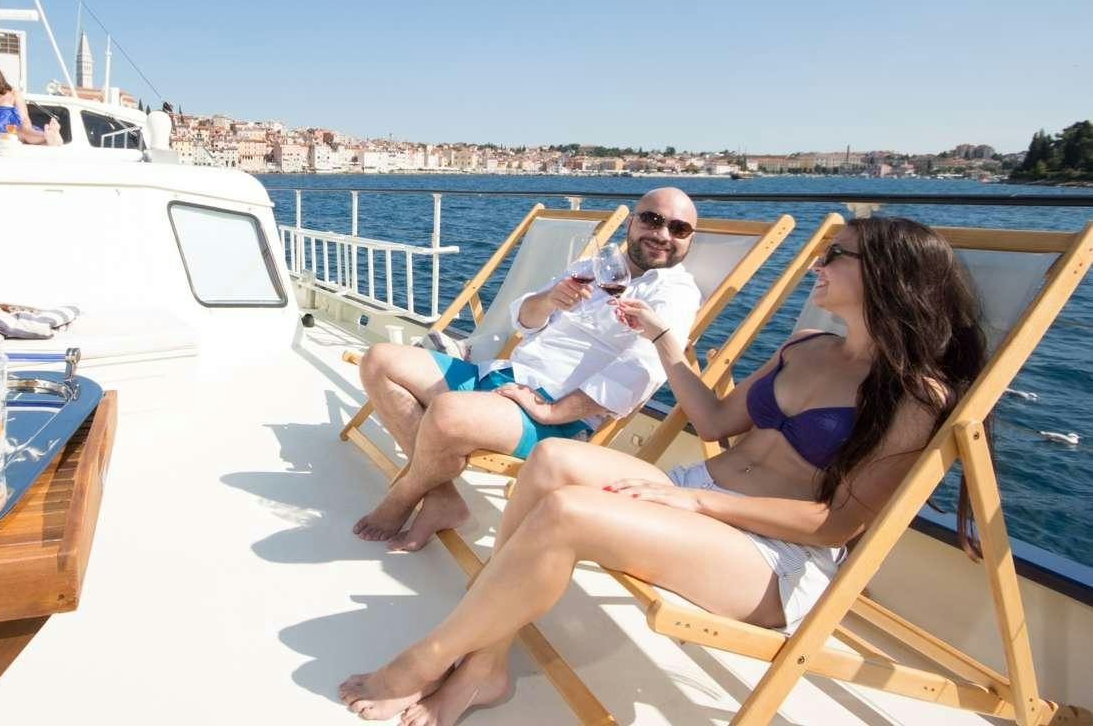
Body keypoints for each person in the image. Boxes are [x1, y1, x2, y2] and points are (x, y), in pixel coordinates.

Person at [339, 216, 987, 726]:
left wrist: (697, 506)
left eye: (835, 255)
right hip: (698, 498)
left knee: (568, 514)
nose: (818, 266)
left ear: (887, 275)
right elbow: (712, 422)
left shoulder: (913, 397)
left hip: (773, 559)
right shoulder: (806, 348)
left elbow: (832, 524)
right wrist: (661, 338)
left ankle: (425, 659)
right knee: (551, 460)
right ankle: (485, 662)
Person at [351, 187, 702, 553]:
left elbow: (643, 371)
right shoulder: (593, 268)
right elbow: (524, 320)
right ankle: (441, 497)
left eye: (678, 229)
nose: (663, 235)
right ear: (632, 223)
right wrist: (549, 300)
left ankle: (404, 494)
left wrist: (553, 411)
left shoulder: (673, 294)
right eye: (653, 220)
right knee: (379, 360)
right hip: (503, 377)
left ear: (689, 239)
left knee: (447, 414)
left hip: (553, 414)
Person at [0, 64, 63, 145]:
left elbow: (24, 118)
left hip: (17, 133)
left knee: (19, 130)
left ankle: (49, 136)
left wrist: (27, 130)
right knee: (17, 132)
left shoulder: (13, 93)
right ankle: (50, 136)